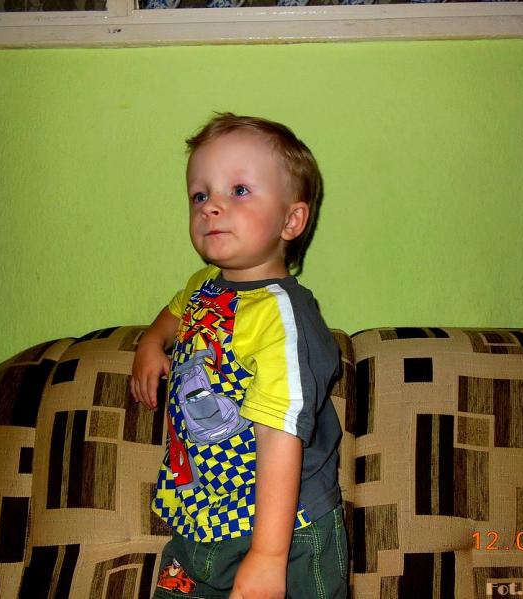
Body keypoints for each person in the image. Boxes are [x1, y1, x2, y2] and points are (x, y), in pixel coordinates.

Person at [130, 113, 346, 599]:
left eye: (239, 190)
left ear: (291, 220)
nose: (211, 206)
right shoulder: (205, 286)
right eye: (199, 195)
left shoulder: (282, 318)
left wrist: (268, 557)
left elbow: (279, 434)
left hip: (286, 529)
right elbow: (176, 311)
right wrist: (151, 342)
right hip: (204, 513)